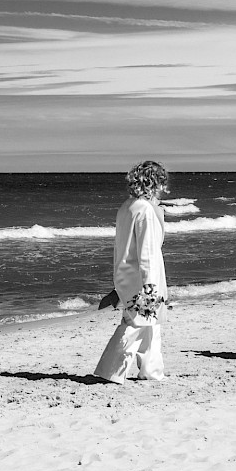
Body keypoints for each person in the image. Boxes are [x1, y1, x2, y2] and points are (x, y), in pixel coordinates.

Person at [94, 161, 170, 384]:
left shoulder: (128, 206)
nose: (165, 190)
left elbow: (121, 245)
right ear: (152, 183)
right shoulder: (144, 210)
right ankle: (110, 370)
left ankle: (152, 371)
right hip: (142, 278)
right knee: (136, 325)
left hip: (128, 275)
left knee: (150, 326)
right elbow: (147, 252)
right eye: (162, 184)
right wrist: (150, 286)